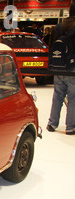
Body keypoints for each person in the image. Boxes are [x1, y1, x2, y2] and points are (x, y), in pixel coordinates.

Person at [47, 2, 75, 135]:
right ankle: (70, 127)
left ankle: (52, 123)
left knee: (57, 96)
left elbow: (51, 46)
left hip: (58, 67)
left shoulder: (57, 27)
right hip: (73, 68)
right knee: (73, 98)